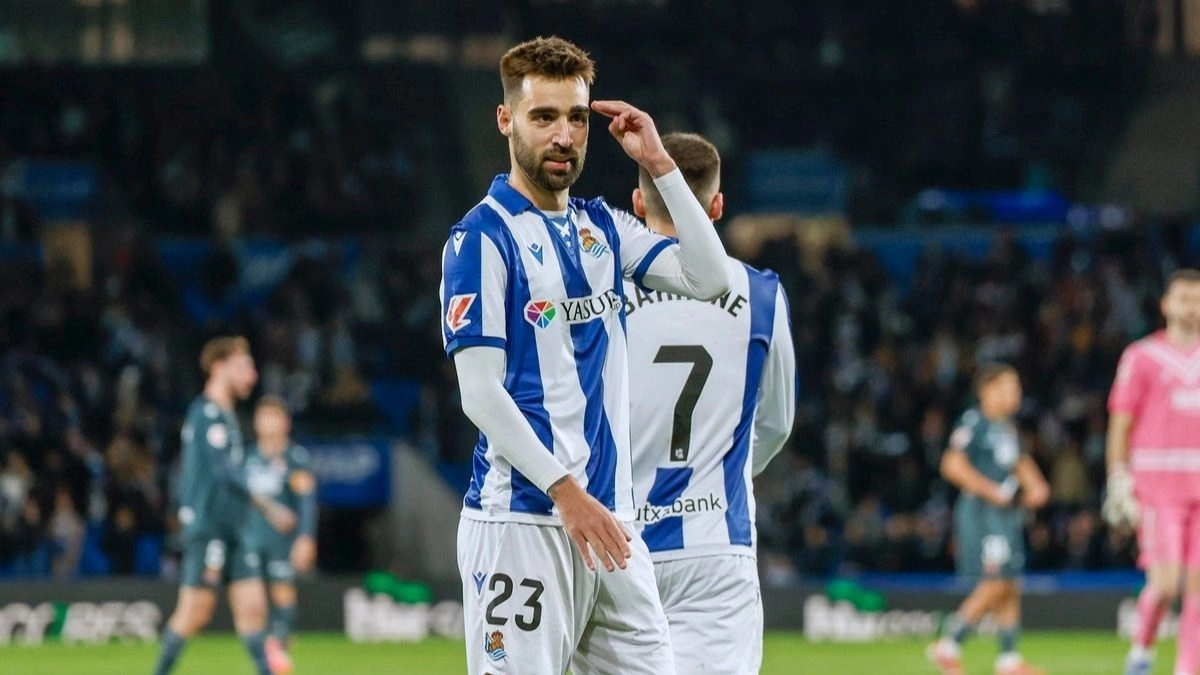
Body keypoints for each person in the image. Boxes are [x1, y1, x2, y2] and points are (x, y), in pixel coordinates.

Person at [440, 36, 731, 675]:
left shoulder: (601, 227)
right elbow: (480, 393)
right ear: (505, 119)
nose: (564, 135)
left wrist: (659, 164)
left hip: (612, 530)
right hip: (524, 523)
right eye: (544, 117)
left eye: (576, 117)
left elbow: (711, 277)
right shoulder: (479, 240)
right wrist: (565, 492)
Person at [623, 131, 795, 674]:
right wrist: (727, 470)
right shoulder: (762, 296)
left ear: (636, 202)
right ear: (717, 206)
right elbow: (777, 423)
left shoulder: (602, 292)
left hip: (619, 546)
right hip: (716, 547)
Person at [153, 337, 296, 675]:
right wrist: (271, 508)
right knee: (195, 612)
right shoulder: (206, 413)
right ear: (219, 367)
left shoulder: (228, 417)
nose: (253, 375)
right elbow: (224, 473)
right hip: (209, 527)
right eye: (245, 366)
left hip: (234, 528)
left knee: (253, 609)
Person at [1104, 269, 1200, 675]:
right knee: (1165, 586)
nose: (1191, 307)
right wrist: (1117, 477)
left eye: (1197, 299)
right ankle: (1142, 650)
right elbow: (1121, 422)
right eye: (1183, 298)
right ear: (1165, 305)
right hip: (1158, 483)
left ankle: (1187, 668)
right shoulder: (1141, 356)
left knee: (1198, 589)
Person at [927, 364, 1050, 675]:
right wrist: (991, 490)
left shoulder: (1006, 428)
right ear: (987, 391)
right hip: (983, 512)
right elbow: (952, 464)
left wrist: (1037, 485)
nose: (1016, 394)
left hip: (1005, 514)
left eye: (1017, 387)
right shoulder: (975, 422)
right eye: (1008, 387)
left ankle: (1008, 660)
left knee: (1009, 582)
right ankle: (948, 644)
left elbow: (1019, 461)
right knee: (995, 583)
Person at [243, 395, 318, 675]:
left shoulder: (294, 458)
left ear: (285, 422)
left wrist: (306, 537)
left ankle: (279, 651)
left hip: (281, 542)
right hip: (250, 540)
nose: (269, 422)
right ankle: (269, 652)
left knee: (283, 594)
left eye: (274, 416)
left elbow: (306, 500)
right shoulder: (248, 457)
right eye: (264, 416)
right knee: (254, 602)